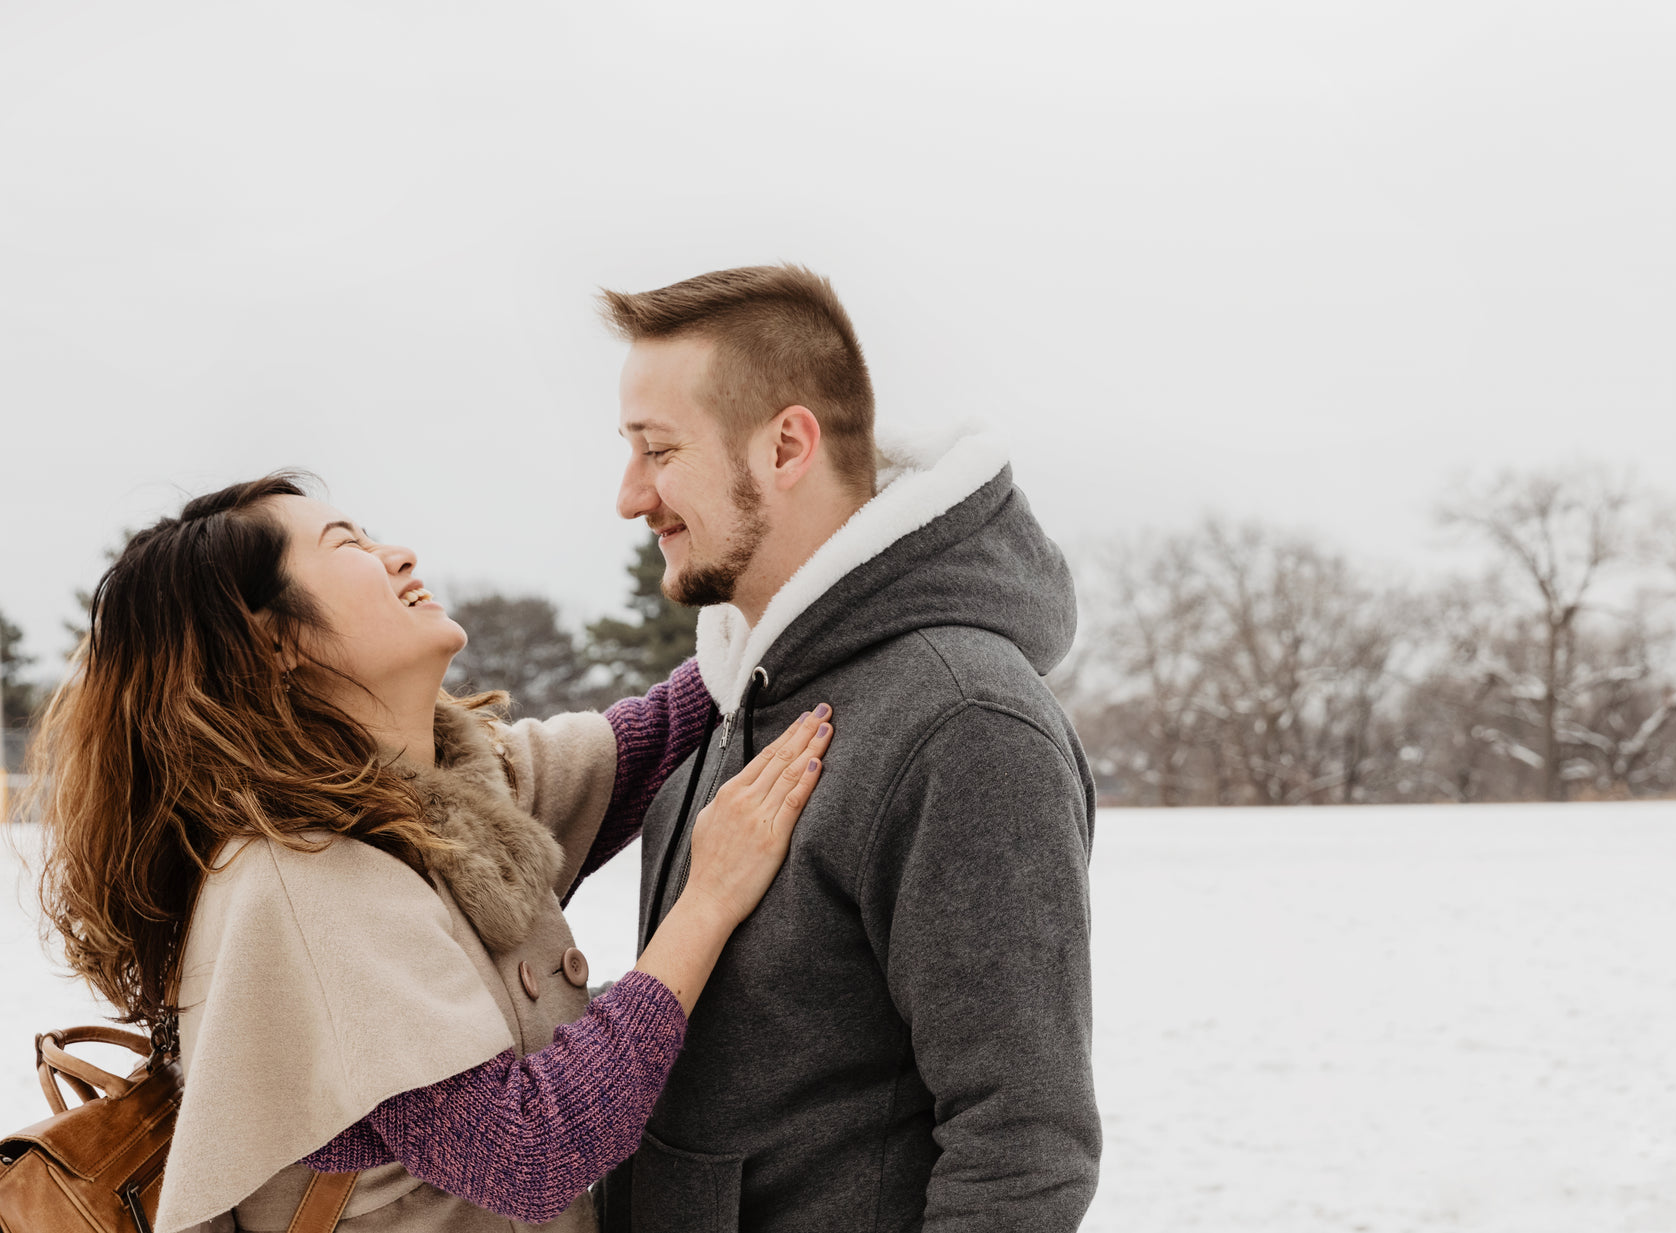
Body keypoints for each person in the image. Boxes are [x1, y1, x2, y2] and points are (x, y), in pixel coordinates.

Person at [29, 474, 835, 1233]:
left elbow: (649, 739)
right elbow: (527, 1149)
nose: (400, 554)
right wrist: (708, 898)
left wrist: (791, 574)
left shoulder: (430, 790)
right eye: (346, 544)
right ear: (271, 643)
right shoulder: (301, 875)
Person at [598, 265, 1100, 1232]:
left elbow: (1024, 1145)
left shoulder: (965, 724)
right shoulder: (735, 697)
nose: (630, 496)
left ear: (788, 443)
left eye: (658, 451)